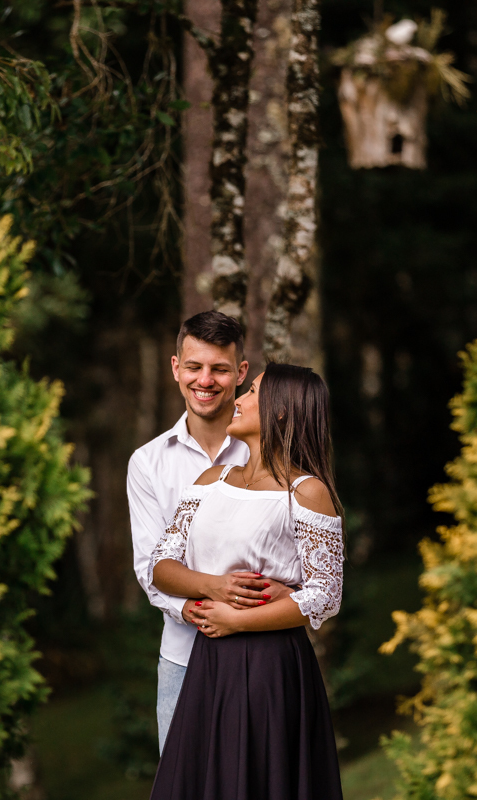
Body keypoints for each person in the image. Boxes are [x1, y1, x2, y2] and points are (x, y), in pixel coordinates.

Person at [147, 363, 346, 800]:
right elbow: (161, 565)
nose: (237, 399)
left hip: (269, 666)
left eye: (252, 391)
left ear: (279, 410)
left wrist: (237, 622)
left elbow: (325, 594)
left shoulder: (305, 491)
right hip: (208, 662)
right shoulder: (209, 482)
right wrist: (212, 587)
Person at [127, 311, 294, 754]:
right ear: (176, 368)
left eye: (220, 369)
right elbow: (151, 570)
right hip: (183, 659)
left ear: (240, 373)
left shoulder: (277, 458)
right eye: (195, 366)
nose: (206, 380)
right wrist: (208, 603)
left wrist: (262, 601)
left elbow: (306, 564)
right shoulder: (148, 462)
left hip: (261, 658)